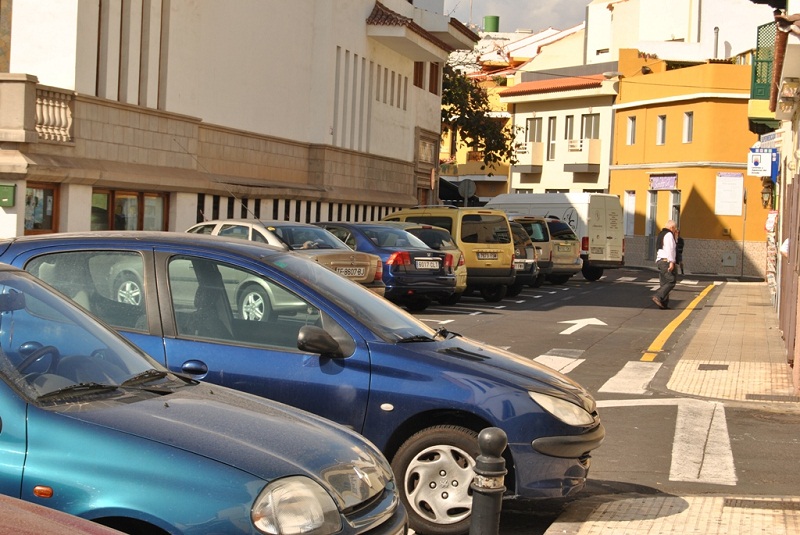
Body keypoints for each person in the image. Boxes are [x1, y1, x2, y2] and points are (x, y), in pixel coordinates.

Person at [652, 220, 678, 310]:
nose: (675, 231)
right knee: (671, 281)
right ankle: (658, 296)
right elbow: (670, 249)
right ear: (672, 228)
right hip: (666, 261)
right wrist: (672, 262)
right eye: (675, 229)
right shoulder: (669, 235)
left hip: (660, 261)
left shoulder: (661, 234)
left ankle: (663, 304)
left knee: (664, 283)